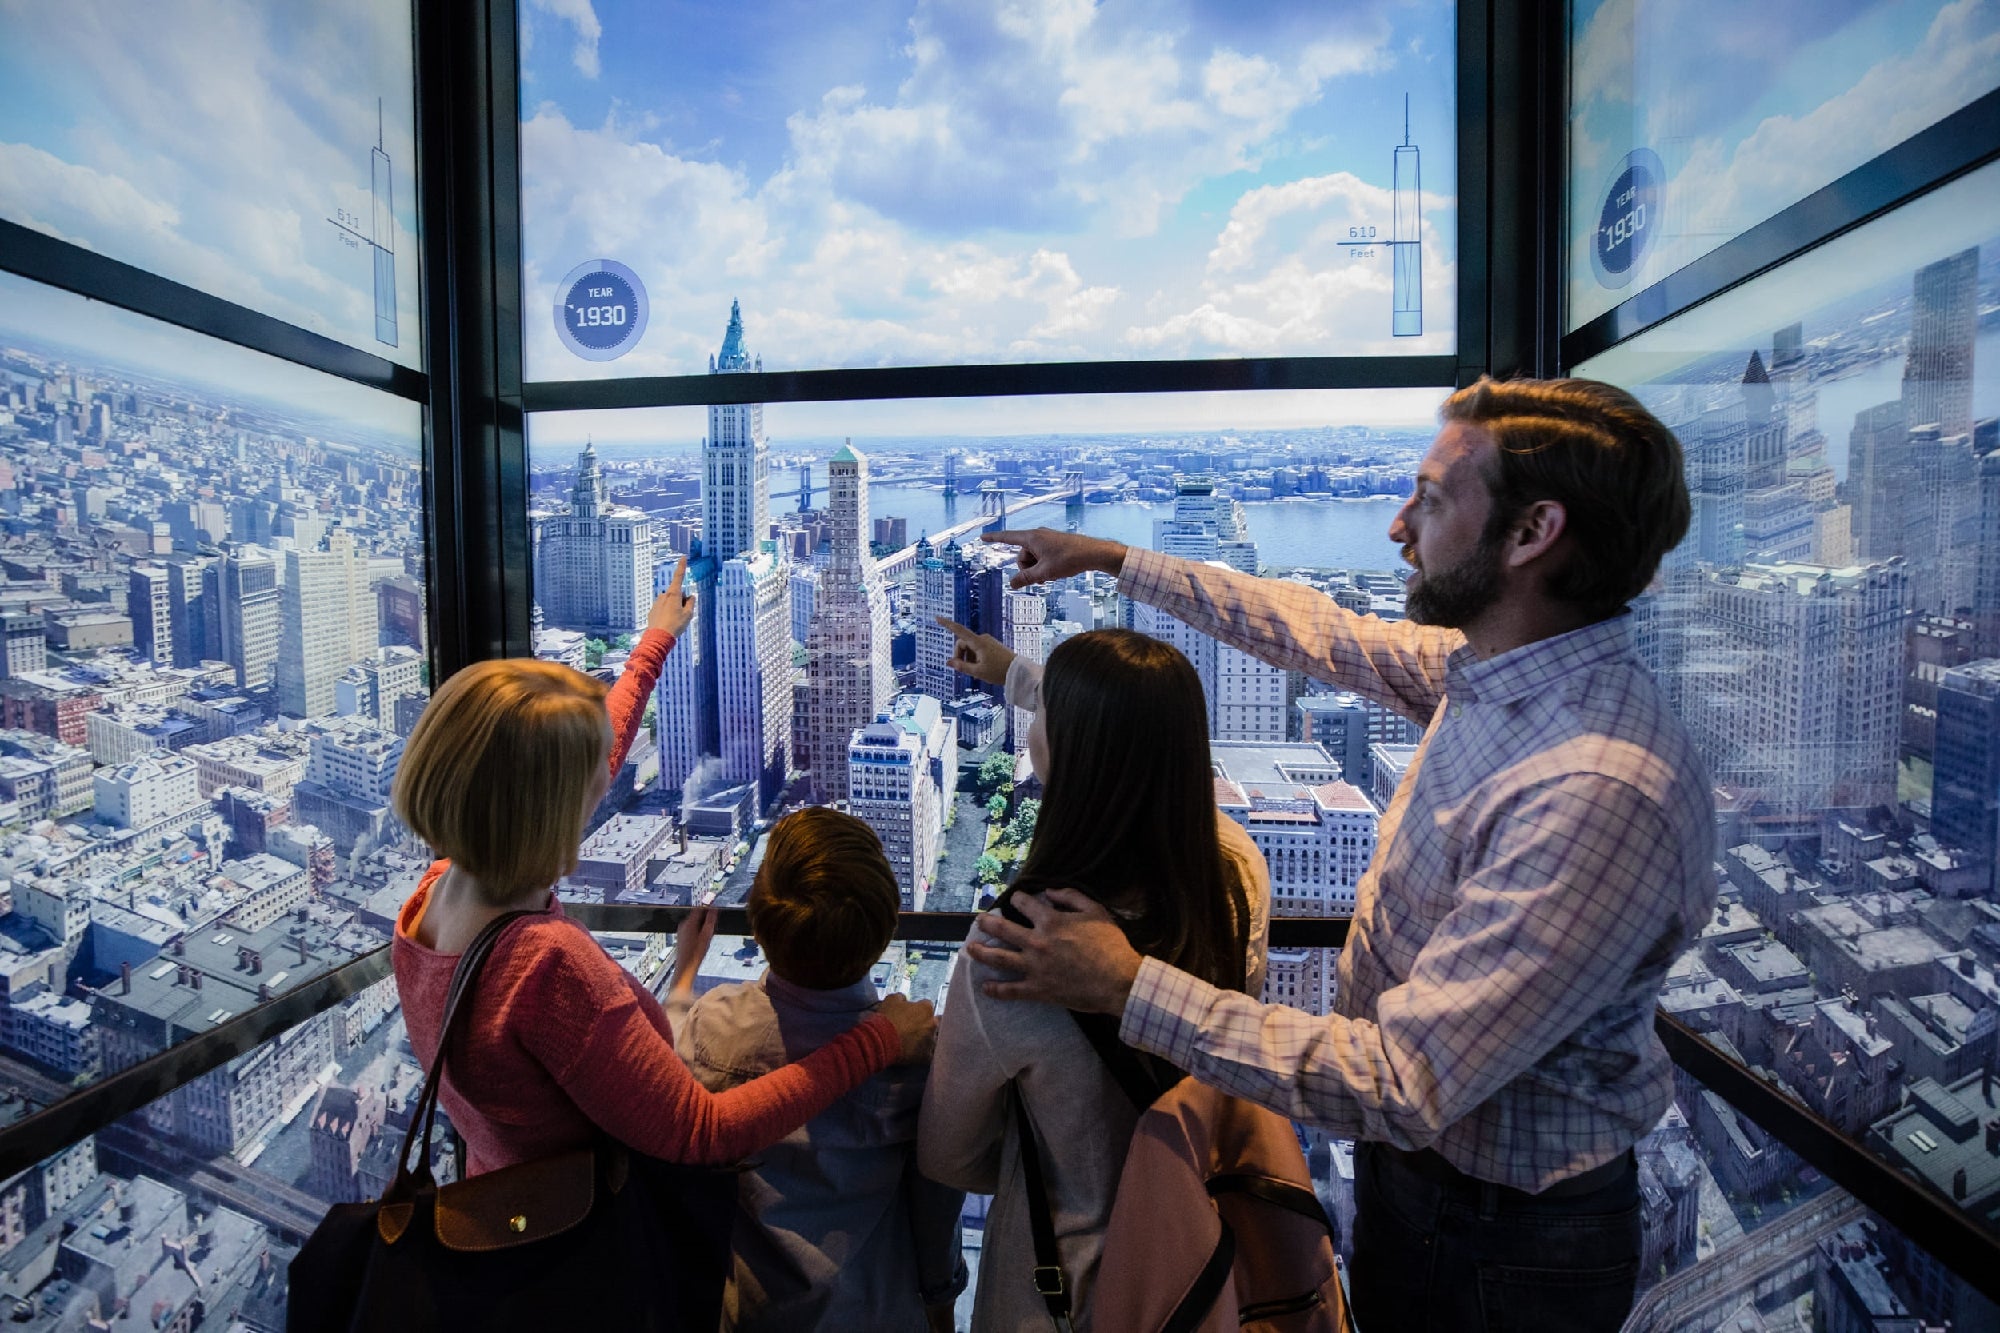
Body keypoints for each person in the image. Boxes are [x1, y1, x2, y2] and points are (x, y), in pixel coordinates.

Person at [965, 377, 1716, 1332]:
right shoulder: (1492, 677)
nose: (1398, 525)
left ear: (1533, 534)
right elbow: (1312, 630)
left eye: (1432, 499)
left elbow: (1404, 1081)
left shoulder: (1593, 793)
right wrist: (1115, 557)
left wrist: (1128, 983)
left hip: (1508, 1246)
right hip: (1442, 1198)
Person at [391, 555, 936, 1181]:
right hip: (584, 1247)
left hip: (503, 1202)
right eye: (598, 773)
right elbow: (702, 1130)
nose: (613, 770)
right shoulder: (547, 970)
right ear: (558, 805)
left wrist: (656, 644)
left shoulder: (432, 898)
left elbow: (569, 758)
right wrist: (879, 1040)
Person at [920, 628, 1271, 1331]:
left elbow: (949, 1151)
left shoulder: (1014, 949)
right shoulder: (1234, 878)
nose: (1035, 718)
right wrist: (1014, 671)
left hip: (1067, 1295)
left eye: (1048, 710)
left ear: (1077, 756)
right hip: (1206, 1268)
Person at [674, 807, 969, 1333]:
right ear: (885, 930)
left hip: (747, 1313)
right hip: (873, 1313)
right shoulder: (923, 1060)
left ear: (759, 928)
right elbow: (936, 1209)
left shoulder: (714, 1027)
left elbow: (671, 1078)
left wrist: (683, 981)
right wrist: (940, 1304)